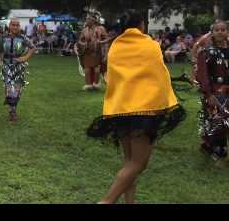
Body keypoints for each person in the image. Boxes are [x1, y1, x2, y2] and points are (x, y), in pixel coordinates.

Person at [86, 10, 186, 204]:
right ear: (141, 25)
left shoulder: (116, 46)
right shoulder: (151, 45)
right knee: (138, 164)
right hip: (144, 111)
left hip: (120, 109)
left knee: (129, 162)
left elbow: (113, 77)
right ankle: (106, 201)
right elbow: (158, 74)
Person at [196, 20, 229, 166]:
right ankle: (217, 152)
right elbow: (202, 75)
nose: (220, 32)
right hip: (215, 91)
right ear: (213, 33)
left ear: (227, 31)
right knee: (218, 122)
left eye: (223, 30)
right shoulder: (206, 52)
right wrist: (208, 94)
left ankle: (209, 146)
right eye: (217, 30)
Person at [0, 18, 36, 122]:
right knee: (9, 87)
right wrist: (0, 59)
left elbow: (33, 48)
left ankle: (13, 109)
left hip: (18, 66)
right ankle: (11, 110)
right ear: (9, 26)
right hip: (6, 66)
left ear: (19, 27)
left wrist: (25, 58)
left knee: (17, 88)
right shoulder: (3, 37)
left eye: (17, 25)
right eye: (13, 25)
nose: (15, 27)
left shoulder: (23, 38)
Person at [76, 15, 108, 90]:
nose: (86, 21)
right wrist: (83, 44)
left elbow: (106, 40)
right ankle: (88, 85)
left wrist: (102, 46)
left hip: (97, 52)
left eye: (88, 20)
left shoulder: (101, 29)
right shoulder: (84, 30)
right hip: (87, 52)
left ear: (93, 21)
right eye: (86, 19)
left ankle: (96, 84)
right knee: (87, 69)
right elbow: (80, 40)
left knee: (97, 69)